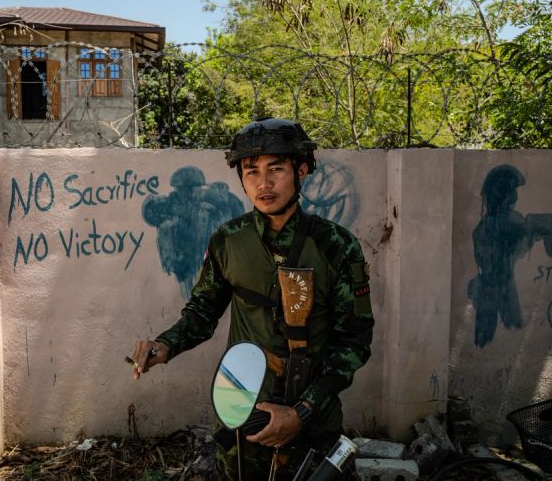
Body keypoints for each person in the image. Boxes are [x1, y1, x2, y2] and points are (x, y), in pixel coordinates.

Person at [131, 117, 374, 479]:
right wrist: (166, 345)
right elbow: (202, 311)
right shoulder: (228, 240)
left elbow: (353, 343)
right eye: (251, 172)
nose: (263, 183)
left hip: (311, 418)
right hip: (241, 408)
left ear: (302, 170)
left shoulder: (335, 245)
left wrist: (303, 412)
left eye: (276, 169)